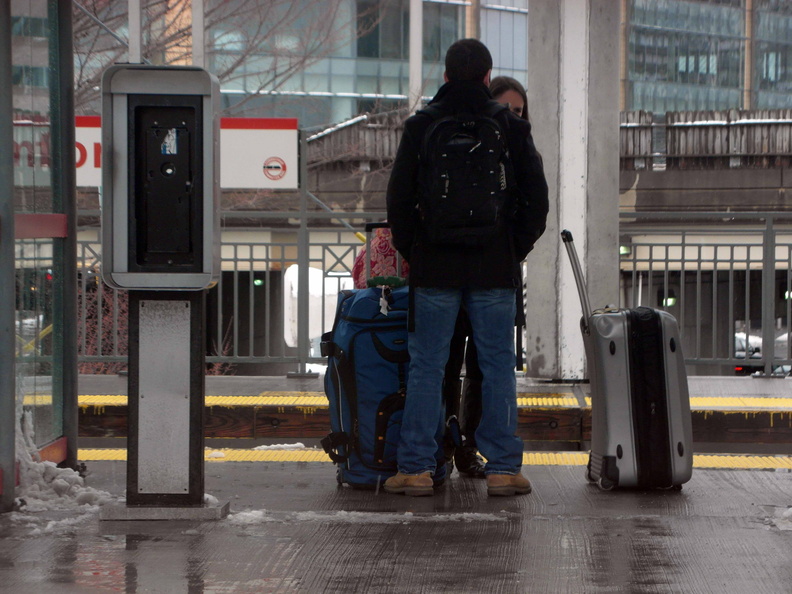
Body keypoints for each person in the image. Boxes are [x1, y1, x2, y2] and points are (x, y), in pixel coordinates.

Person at [383, 39, 549, 497]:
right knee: (497, 367)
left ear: (445, 76)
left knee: (427, 367)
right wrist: (510, 248)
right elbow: (537, 201)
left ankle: (416, 467)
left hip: (435, 267)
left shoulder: (422, 126)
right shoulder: (509, 127)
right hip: (493, 268)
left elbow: (398, 201)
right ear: (486, 76)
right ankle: (502, 469)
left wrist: (417, 250)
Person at [445, 75, 535, 479]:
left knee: (484, 367)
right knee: (448, 363)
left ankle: (467, 446)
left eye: (519, 111)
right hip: (467, 272)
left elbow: (535, 206)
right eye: (507, 109)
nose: (513, 116)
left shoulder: (520, 148)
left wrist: (515, 249)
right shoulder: (471, 146)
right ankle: (443, 444)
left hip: (498, 270)